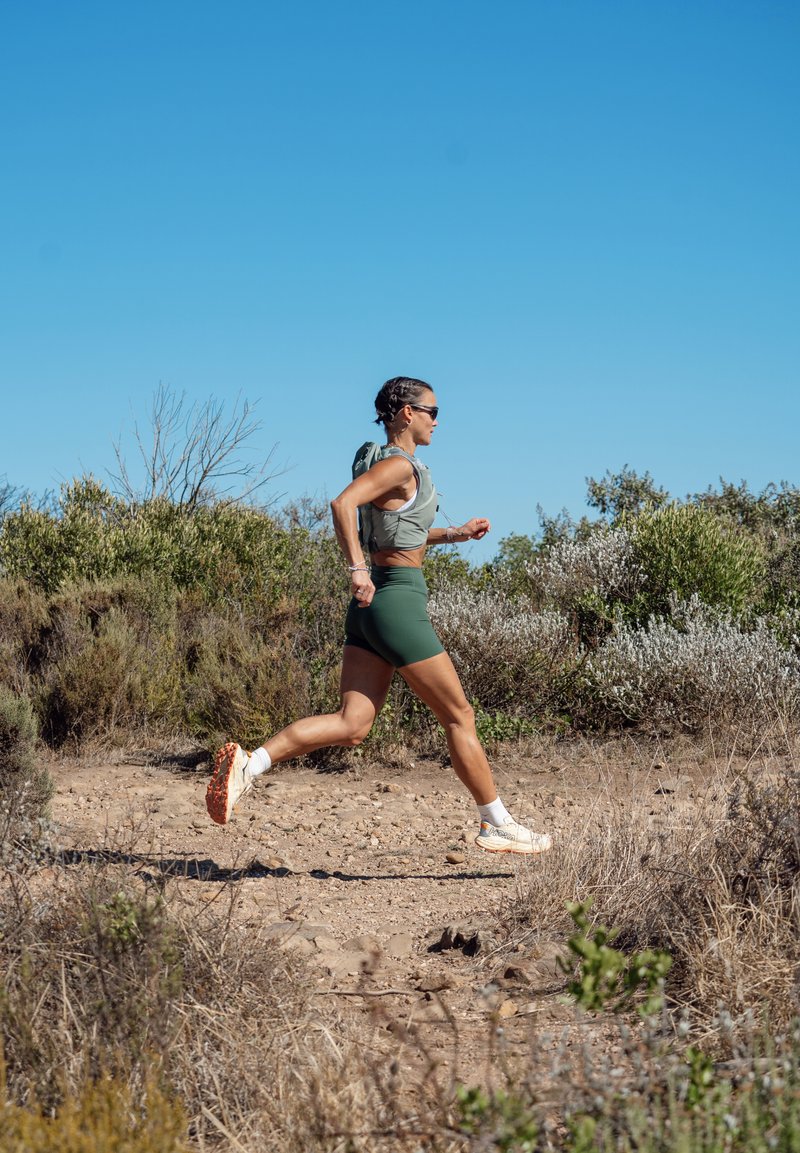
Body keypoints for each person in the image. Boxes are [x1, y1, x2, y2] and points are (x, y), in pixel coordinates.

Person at [206, 376, 552, 855]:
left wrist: (455, 534)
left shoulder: (390, 468)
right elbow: (342, 504)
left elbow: (398, 533)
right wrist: (357, 569)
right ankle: (497, 822)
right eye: (433, 412)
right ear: (407, 413)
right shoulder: (397, 465)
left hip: (370, 610)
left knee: (353, 724)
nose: (437, 422)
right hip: (397, 603)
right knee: (458, 715)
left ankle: (252, 764)